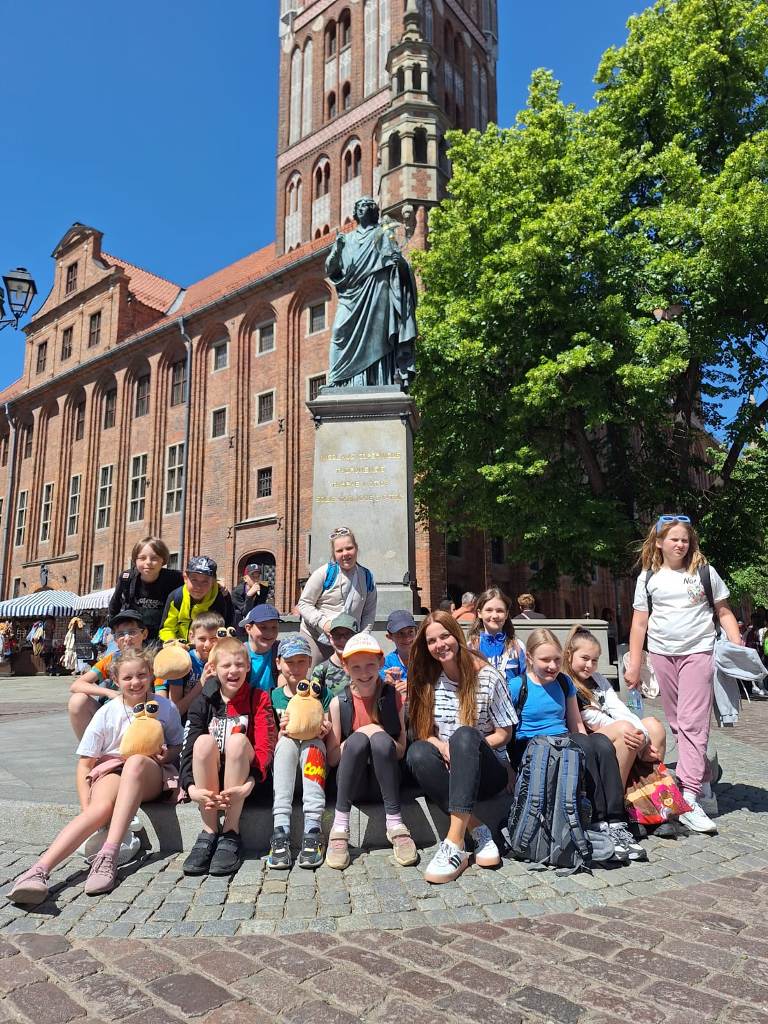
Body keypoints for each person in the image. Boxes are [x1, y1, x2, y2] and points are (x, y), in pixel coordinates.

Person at [8, 648, 184, 905]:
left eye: (141, 675)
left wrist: (167, 756)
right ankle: (39, 870)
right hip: (112, 768)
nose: (135, 682)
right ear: (115, 680)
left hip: (149, 771)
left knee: (135, 763)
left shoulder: (165, 707)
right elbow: (85, 764)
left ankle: (108, 856)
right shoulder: (107, 712)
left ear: (151, 674)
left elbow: (177, 745)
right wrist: (87, 805)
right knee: (100, 808)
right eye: (128, 677)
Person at [625, 515, 741, 834]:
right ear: (659, 542)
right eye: (674, 538)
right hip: (662, 654)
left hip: (698, 651)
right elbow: (639, 623)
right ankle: (704, 782)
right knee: (678, 723)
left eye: (685, 539)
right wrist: (634, 663)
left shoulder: (704, 572)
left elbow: (724, 611)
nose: (680, 544)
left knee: (692, 722)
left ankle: (688, 798)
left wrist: (737, 645)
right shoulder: (648, 577)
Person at [509, 628, 645, 861]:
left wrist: (589, 746)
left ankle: (615, 821)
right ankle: (598, 821)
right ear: (529, 658)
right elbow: (508, 731)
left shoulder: (563, 682)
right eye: (545, 660)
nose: (552, 666)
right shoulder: (516, 686)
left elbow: (576, 724)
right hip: (536, 749)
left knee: (600, 743)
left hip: (564, 741)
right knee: (583, 744)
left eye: (556, 659)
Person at [406, 612, 517, 883]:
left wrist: (462, 748)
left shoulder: (487, 676)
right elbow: (424, 732)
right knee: (418, 753)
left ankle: (454, 843)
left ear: (457, 636)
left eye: (445, 636)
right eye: (432, 641)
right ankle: (479, 831)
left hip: (486, 770)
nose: (439, 645)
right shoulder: (427, 678)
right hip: (449, 767)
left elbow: (505, 734)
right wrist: (443, 747)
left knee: (465, 736)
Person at [179, 636, 276, 876]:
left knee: (237, 740)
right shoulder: (203, 701)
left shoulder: (258, 697)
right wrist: (191, 788)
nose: (233, 670)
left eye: (239, 664)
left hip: (246, 782)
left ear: (248, 667)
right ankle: (209, 830)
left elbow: (266, 747)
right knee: (203, 742)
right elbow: (188, 748)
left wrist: (249, 784)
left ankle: (231, 831)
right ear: (213, 669)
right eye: (226, 665)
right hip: (210, 784)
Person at [326, 633, 417, 870]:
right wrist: (362, 732)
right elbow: (333, 758)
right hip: (351, 785)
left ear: (380, 663)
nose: (364, 673)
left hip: (384, 783)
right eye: (356, 667)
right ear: (345, 667)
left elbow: (400, 751)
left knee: (379, 740)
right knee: (357, 741)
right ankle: (339, 827)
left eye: (370, 665)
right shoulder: (339, 703)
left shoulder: (392, 697)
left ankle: (395, 824)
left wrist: (377, 733)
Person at [325, 196, 418, 388]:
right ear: (355, 212)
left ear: (374, 211)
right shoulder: (346, 239)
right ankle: (337, 380)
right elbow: (331, 269)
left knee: (378, 339)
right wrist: (336, 251)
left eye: (367, 205)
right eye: (359, 206)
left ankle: (378, 380)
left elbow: (398, 266)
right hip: (351, 295)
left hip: (378, 291)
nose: (362, 208)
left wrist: (400, 264)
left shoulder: (382, 234)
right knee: (339, 331)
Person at [564, 624, 666, 786]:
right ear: (569, 655)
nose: (589, 665)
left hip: (613, 730)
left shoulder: (597, 678)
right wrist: (634, 734)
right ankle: (617, 794)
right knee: (626, 730)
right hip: (590, 739)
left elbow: (618, 708)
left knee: (654, 726)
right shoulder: (567, 682)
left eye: (594, 660)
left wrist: (643, 736)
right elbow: (594, 720)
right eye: (584, 658)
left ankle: (652, 788)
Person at [268, 634, 335, 870]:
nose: (295, 668)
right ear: (279, 663)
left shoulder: (323, 695)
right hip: (284, 773)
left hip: (313, 771)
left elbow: (330, 736)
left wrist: (325, 730)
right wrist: (280, 734)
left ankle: (313, 829)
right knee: (286, 744)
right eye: (290, 662)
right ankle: (280, 830)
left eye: (301, 662)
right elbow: (268, 741)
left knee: (313, 745)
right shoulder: (273, 697)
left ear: (309, 663)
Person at [68, 610, 163, 745]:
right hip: (112, 713)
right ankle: (91, 751)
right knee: (77, 701)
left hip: (141, 715)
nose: (127, 638)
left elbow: (161, 698)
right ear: (116, 640)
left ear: (144, 634)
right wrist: (110, 693)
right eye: (120, 634)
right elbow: (77, 685)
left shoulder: (155, 662)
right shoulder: (111, 659)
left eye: (132, 632)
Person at [298, 527, 377, 665]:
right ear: (334, 554)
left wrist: (362, 638)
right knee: (312, 677)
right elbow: (304, 604)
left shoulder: (367, 577)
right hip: (317, 639)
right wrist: (323, 623)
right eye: (339, 550)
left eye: (349, 548)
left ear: (356, 548)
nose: (345, 553)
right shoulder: (324, 573)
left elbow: (368, 613)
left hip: (348, 642)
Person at [108, 537, 184, 641]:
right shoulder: (127, 578)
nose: (148, 562)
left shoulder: (175, 579)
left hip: (162, 635)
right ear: (135, 560)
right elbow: (114, 604)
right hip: (134, 635)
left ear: (163, 560)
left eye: (154, 558)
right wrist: (114, 630)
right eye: (142, 558)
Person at [159, 556, 233, 642]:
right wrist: (174, 644)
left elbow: (226, 628)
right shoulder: (176, 597)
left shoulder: (221, 599)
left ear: (213, 582)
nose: (198, 587)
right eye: (194, 580)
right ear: (185, 578)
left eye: (205, 581)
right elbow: (167, 629)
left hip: (208, 645)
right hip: (179, 646)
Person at [167, 612, 224, 720]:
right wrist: (202, 681)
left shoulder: (224, 661)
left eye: (213, 639)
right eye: (202, 639)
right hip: (185, 721)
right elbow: (175, 711)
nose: (207, 645)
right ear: (192, 637)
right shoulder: (182, 662)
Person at [467, 588, 526, 686]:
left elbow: (527, 680)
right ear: (479, 613)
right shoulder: (471, 648)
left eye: (500, 611)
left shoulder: (518, 647)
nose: (494, 616)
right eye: (489, 610)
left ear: (506, 614)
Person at [311, 613, 357, 697]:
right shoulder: (321, 670)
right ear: (330, 637)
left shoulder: (363, 667)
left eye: (348, 635)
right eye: (337, 635)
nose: (342, 640)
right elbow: (314, 700)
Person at [241, 604, 280, 691]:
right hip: (247, 698)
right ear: (248, 628)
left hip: (273, 698)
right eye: (263, 627)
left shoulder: (280, 650)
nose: (270, 633)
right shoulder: (240, 653)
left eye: (274, 627)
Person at [381, 609, 417, 702]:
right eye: (400, 633)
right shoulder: (387, 664)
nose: (407, 638)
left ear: (416, 632)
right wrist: (388, 686)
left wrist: (414, 687)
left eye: (410, 632)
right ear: (389, 636)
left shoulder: (426, 659)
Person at [231, 564, 269, 637]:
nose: (256, 579)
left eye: (258, 576)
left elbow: (259, 608)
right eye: (253, 576)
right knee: (237, 613)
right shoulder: (237, 592)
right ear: (245, 578)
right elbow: (245, 613)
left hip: (256, 619)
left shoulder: (264, 589)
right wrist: (249, 596)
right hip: (239, 621)